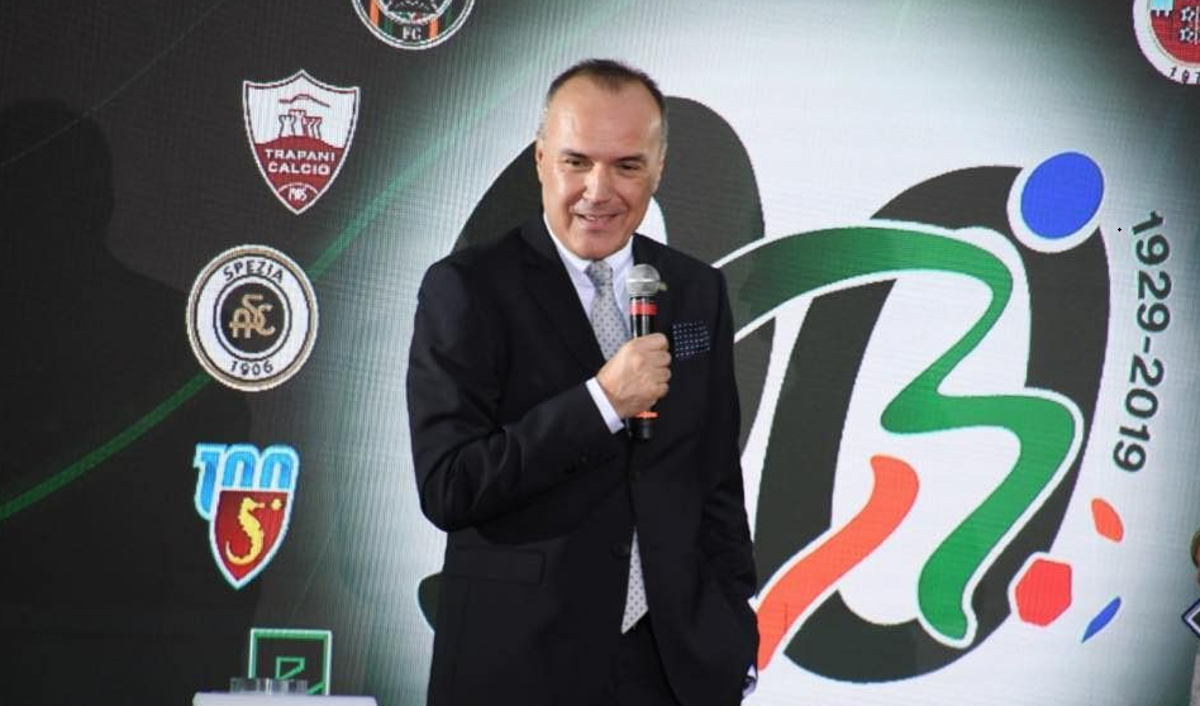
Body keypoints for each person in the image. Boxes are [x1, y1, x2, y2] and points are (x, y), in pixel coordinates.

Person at [406, 59, 757, 706]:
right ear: (541, 160)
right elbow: (450, 484)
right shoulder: (469, 289)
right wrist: (602, 403)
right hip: (519, 667)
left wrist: (733, 633)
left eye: (627, 166)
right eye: (577, 162)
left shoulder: (696, 290)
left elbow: (714, 479)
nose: (599, 190)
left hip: (671, 670)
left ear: (658, 169)